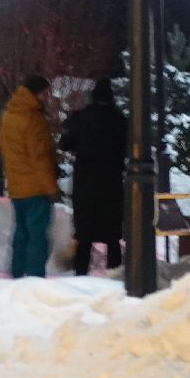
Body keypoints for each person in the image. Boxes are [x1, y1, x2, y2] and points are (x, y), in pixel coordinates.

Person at [60, 78, 126, 275]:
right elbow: (129, 148)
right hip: (111, 182)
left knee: (84, 234)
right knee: (112, 236)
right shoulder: (119, 120)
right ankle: (115, 274)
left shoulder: (79, 119)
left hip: (85, 181)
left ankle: (81, 275)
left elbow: (65, 144)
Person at [0, 74, 58, 278]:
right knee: (37, 238)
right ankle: (34, 280)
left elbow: (2, 147)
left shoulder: (8, 115)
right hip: (36, 188)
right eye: (45, 93)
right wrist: (51, 189)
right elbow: (40, 159)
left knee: (20, 234)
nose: (47, 97)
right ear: (36, 93)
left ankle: (16, 274)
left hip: (16, 186)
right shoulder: (34, 119)